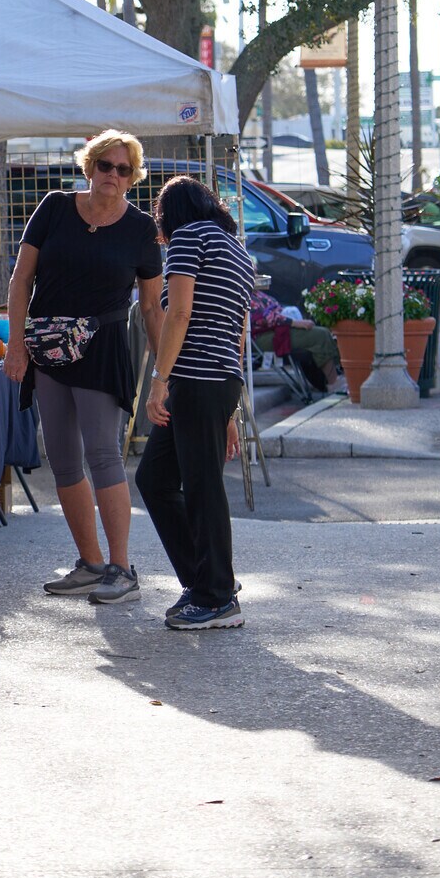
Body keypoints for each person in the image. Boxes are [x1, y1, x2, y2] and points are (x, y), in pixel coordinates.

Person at [4, 130, 163, 604]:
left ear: (133, 178)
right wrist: (16, 345)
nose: (112, 175)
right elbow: (21, 279)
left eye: (123, 169)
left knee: (103, 453)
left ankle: (123, 568)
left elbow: (153, 308)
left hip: (102, 348)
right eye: (105, 165)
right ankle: (91, 563)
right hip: (48, 348)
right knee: (62, 457)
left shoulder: (138, 229)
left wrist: (163, 372)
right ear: (89, 166)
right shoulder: (54, 207)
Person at [137, 176, 257, 630]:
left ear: (170, 215)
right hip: (219, 380)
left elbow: (180, 313)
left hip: (194, 379)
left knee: (202, 486)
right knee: (155, 478)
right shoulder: (236, 249)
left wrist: (158, 379)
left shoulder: (188, 238)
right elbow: (237, 332)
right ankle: (209, 579)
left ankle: (216, 597)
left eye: (159, 218)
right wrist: (228, 410)